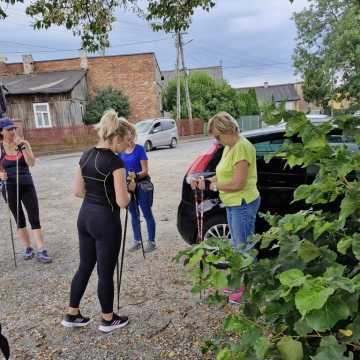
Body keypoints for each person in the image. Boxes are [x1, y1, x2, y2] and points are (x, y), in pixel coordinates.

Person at [61, 109, 132, 333]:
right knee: (104, 272)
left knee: (85, 266)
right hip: (106, 221)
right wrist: (130, 189)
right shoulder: (115, 163)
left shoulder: (86, 155)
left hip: (85, 217)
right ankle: (108, 319)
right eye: (126, 141)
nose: (127, 146)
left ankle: (72, 314)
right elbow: (122, 201)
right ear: (116, 138)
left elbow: (77, 191)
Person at [194, 111, 260, 304]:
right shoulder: (229, 147)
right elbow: (223, 174)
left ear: (227, 130)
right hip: (233, 203)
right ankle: (238, 283)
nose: (216, 140)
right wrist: (206, 179)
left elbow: (238, 183)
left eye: (217, 135)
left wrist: (212, 186)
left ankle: (247, 289)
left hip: (243, 203)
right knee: (236, 245)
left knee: (244, 248)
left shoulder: (242, 147)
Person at [0, 117, 52, 263]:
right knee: (19, 218)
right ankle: (28, 247)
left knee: (34, 217)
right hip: (9, 187)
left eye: (13, 128)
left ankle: (41, 249)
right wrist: (0, 174)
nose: (12, 131)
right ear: (1, 132)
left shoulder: (23, 143)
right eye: (8, 129)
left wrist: (22, 147)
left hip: (26, 184)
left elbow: (31, 163)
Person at [119, 126, 156, 253]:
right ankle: (137, 241)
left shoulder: (139, 149)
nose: (129, 140)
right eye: (126, 138)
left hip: (141, 185)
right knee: (133, 214)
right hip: (128, 186)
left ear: (133, 135)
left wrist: (136, 175)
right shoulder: (120, 152)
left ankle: (151, 241)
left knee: (147, 213)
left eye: (130, 137)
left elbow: (145, 171)